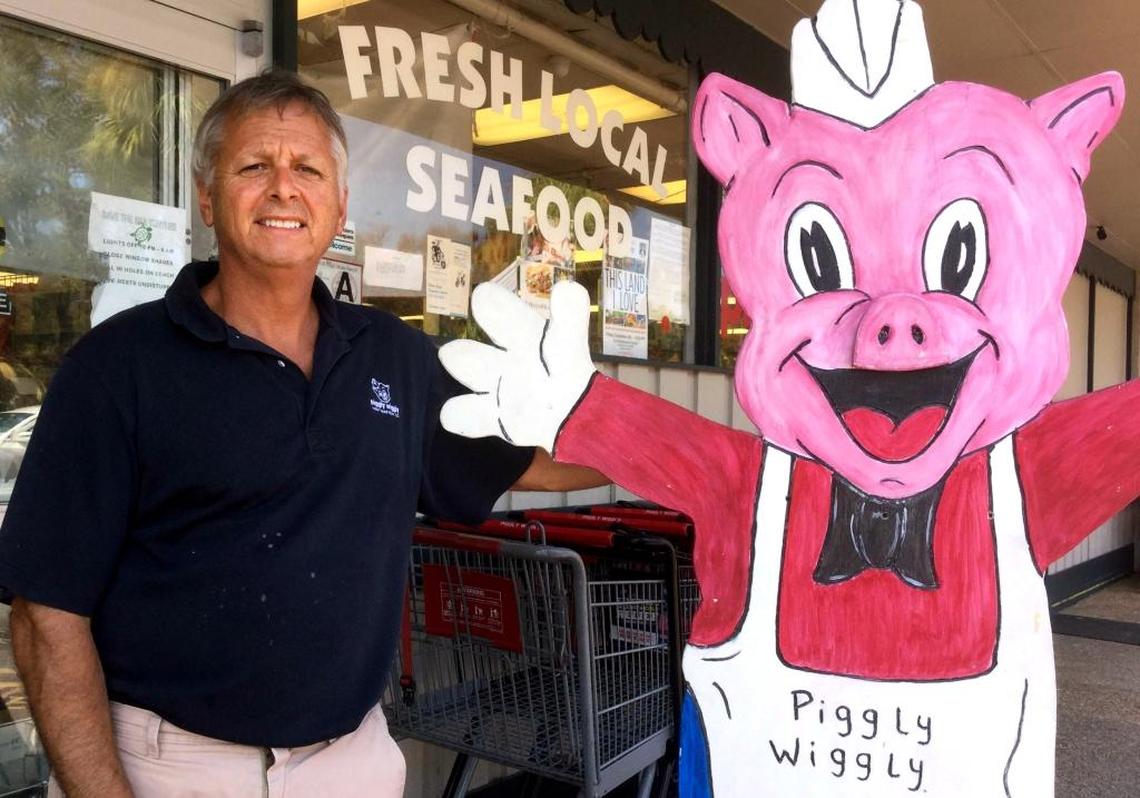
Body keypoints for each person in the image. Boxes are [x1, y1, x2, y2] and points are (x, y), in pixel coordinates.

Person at [0, 71, 604, 798]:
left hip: (351, 763)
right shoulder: (118, 367)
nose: (284, 188)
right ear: (208, 195)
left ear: (339, 203)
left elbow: (529, 463)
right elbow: (47, 614)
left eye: (307, 169)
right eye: (255, 166)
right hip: (171, 769)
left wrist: (692, 450)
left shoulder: (393, 356)